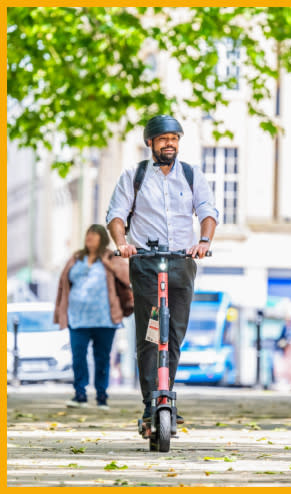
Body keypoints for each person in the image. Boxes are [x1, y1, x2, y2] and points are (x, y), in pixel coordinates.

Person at [105, 115, 218, 425]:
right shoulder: (134, 175)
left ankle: (165, 393)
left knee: (174, 335)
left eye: (175, 138)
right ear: (150, 143)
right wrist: (122, 243)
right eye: (163, 138)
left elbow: (208, 212)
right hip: (145, 263)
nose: (170, 143)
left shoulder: (193, 176)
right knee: (152, 335)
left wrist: (204, 241)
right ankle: (150, 400)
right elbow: (116, 215)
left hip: (181, 262)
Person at [54, 225, 130, 409]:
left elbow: (127, 277)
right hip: (78, 318)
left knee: (102, 358)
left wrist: (110, 264)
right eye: (88, 235)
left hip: (105, 319)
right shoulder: (76, 258)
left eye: (94, 236)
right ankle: (80, 393)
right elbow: (63, 284)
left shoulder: (111, 257)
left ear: (102, 238)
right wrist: (60, 311)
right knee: (78, 356)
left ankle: (102, 396)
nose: (89, 239)